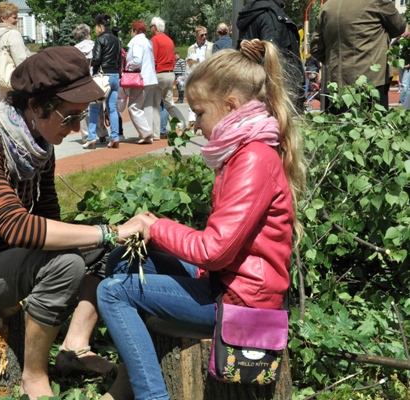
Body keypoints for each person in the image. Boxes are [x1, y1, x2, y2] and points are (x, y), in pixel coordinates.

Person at [97, 39, 306, 400]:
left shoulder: (252, 159)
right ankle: (130, 378)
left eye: (199, 112)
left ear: (231, 105)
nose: (195, 124)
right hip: (227, 282)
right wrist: (154, 230)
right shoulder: (242, 151)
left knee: (112, 292)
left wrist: (155, 227)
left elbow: (214, 250)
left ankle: (151, 395)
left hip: (241, 302)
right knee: (124, 259)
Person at [0, 47, 126, 399]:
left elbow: (47, 218)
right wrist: (108, 232)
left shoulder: (37, 146)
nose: (76, 128)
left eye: (82, 115)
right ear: (35, 106)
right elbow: (15, 227)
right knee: (70, 260)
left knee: (109, 249)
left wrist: (107, 238)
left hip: (6, 261)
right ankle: (32, 377)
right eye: (70, 116)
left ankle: (74, 348)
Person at [310, 0, 408, 113]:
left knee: (337, 122)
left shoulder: (327, 6)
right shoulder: (377, 1)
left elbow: (316, 48)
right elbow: (399, 28)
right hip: (372, 82)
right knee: (372, 122)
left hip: (336, 83)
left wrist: (334, 64)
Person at [237, 0, 305, 112]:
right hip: (274, 95)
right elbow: (274, 58)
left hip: (251, 89)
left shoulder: (251, 14)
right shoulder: (270, 16)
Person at [83, 14, 122, 150]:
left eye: (96, 27)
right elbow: (119, 59)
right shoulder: (117, 40)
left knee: (94, 109)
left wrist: (90, 64)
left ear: (100, 26)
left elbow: (97, 59)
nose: (95, 30)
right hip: (115, 76)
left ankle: (91, 138)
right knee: (113, 109)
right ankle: (115, 137)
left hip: (102, 77)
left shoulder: (100, 40)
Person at [0, 1, 31, 105]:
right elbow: (21, 62)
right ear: (3, 18)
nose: (17, 20)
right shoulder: (13, 34)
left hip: (0, 85)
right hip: (14, 86)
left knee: (3, 113)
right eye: (14, 17)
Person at [150, 17, 186, 140]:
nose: (150, 29)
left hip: (159, 74)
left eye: (151, 26)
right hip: (170, 73)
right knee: (169, 103)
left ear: (155, 27)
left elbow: (153, 59)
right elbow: (173, 59)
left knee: (155, 105)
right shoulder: (169, 40)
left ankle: (155, 133)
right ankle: (181, 123)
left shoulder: (155, 40)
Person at [72, 23, 108, 145]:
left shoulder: (75, 49)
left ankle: (86, 135)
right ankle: (102, 133)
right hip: (96, 77)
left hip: (82, 79)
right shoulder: (95, 44)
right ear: (88, 34)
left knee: (83, 108)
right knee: (98, 106)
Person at [125, 20, 158, 144]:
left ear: (134, 30)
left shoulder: (137, 41)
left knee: (133, 107)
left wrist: (127, 65)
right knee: (147, 107)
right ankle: (148, 135)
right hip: (151, 78)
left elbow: (137, 60)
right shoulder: (148, 42)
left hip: (141, 78)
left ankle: (145, 132)